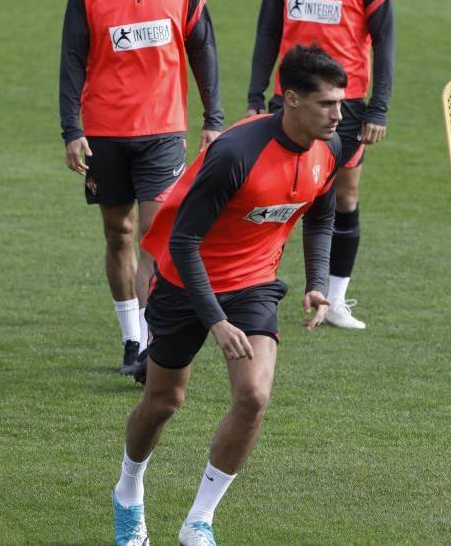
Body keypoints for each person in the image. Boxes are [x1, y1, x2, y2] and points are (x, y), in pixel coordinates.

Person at [112, 45, 343, 546]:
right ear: (293, 100)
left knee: (254, 396)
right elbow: (183, 241)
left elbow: (323, 214)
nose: (338, 115)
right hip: (184, 282)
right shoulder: (237, 154)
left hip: (255, 283)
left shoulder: (331, 149)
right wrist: (214, 319)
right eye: (327, 104)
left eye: (340, 103)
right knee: (163, 401)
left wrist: (318, 282)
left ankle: (199, 521)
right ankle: (129, 492)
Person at [59, 0, 223, 376]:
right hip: (106, 131)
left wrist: (212, 120)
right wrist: (71, 128)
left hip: (163, 131)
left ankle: (155, 345)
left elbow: (203, 50)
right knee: (119, 234)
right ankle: (132, 338)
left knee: (158, 236)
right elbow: (71, 59)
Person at [247, 0, 395, 330]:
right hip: (288, 101)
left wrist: (379, 108)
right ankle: (254, 286)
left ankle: (334, 300)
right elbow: (268, 31)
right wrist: (256, 96)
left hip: (345, 105)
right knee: (273, 193)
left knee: (343, 197)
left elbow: (384, 42)